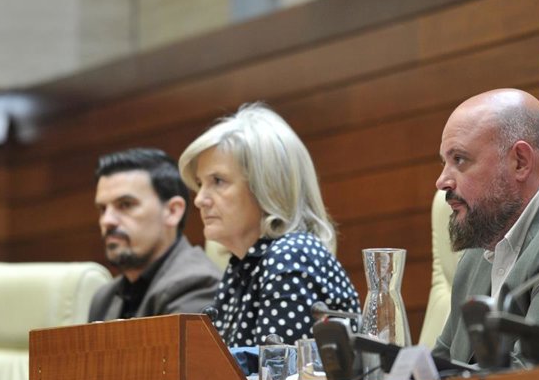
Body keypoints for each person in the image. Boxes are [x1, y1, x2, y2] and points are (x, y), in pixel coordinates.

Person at [431, 89, 539, 363]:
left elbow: (534, 375)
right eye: (445, 163)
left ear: (520, 162)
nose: (442, 181)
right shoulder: (481, 246)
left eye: (459, 160)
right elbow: (439, 367)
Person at [178, 103, 360, 347]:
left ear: (267, 186)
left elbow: (275, 368)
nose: (200, 200)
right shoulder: (242, 267)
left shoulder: (291, 255)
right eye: (200, 184)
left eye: (218, 181)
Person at [89, 148, 221, 321]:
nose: (107, 220)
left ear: (172, 211)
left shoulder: (196, 284)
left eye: (125, 205)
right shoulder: (104, 297)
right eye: (102, 209)